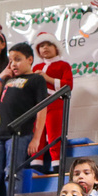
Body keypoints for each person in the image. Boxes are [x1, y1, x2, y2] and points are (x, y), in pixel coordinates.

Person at [0, 43, 47, 196]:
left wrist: (36, 138)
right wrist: (0, 78)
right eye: (10, 60)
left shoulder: (36, 79)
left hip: (19, 134)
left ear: (29, 60)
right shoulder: (8, 79)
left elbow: (42, 109)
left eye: (17, 59)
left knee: (13, 172)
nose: (13, 64)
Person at [32, 32, 73, 171]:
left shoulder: (63, 65)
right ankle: (37, 161)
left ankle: (57, 162)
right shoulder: (35, 68)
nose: (45, 48)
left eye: (49, 44)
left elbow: (68, 85)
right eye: (41, 45)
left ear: (56, 47)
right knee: (38, 133)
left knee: (54, 132)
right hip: (39, 105)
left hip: (55, 103)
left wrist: (47, 78)